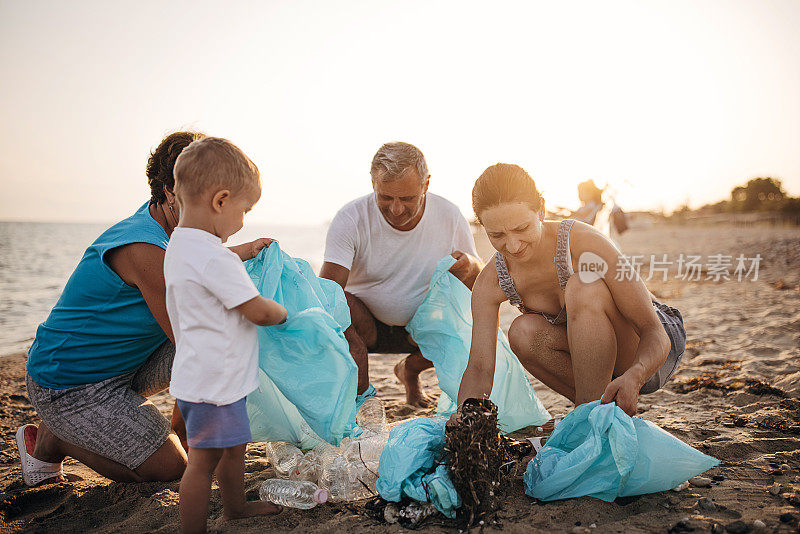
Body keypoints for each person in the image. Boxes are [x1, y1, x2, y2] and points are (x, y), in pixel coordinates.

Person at [16, 131, 274, 486]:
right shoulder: (143, 246)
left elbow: (185, 264)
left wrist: (243, 251)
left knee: (218, 326)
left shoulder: (166, 222)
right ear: (170, 190)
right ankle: (56, 437)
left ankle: (161, 436)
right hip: (70, 383)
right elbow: (191, 345)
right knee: (170, 470)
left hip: (125, 366)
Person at [454, 163, 686, 422]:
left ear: (541, 209)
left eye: (521, 229)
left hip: (651, 351)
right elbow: (479, 366)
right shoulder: (491, 281)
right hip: (594, 361)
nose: (513, 245)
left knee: (582, 286)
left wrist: (636, 375)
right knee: (521, 333)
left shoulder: (582, 241)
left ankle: (588, 420)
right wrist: (465, 418)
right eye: (497, 235)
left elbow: (654, 331)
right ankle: (595, 411)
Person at [165, 137, 286, 532]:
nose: (242, 221)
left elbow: (210, 268)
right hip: (215, 385)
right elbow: (257, 311)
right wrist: (285, 312)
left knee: (234, 450)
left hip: (203, 378)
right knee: (202, 464)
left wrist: (243, 251)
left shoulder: (180, 244)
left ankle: (235, 507)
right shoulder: (215, 257)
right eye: (244, 210)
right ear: (220, 200)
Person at [320, 142, 483, 407]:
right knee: (340, 303)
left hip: (421, 328)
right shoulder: (350, 217)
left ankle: (410, 371)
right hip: (365, 327)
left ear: (426, 185)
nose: (396, 209)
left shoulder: (449, 215)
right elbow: (326, 291)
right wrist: (354, 346)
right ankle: (360, 397)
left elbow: (479, 277)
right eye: (386, 197)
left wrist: (469, 265)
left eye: (407, 199)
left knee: (466, 311)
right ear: (373, 183)